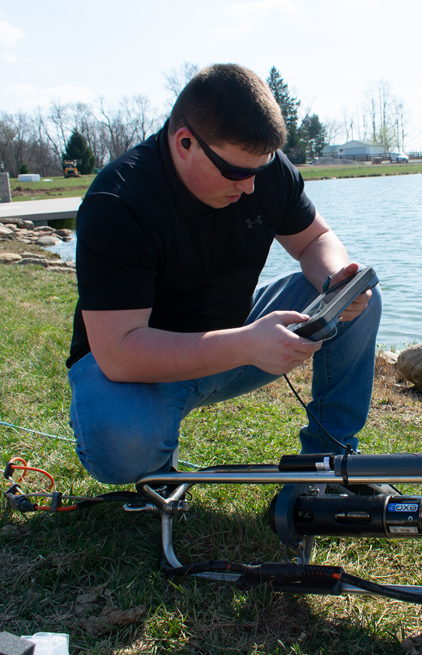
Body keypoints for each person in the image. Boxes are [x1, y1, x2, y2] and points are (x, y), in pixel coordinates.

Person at [66, 64, 381, 485]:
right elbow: (120, 352)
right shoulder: (118, 203)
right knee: (123, 451)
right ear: (185, 143)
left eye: (261, 169)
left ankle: (330, 461)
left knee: (358, 301)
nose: (250, 186)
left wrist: (335, 282)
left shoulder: (259, 168)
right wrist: (247, 344)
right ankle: (156, 462)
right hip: (136, 367)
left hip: (236, 338)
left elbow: (314, 240)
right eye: (236, 172)